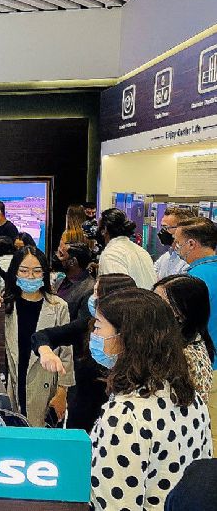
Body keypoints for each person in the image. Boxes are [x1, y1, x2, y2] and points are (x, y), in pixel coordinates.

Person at [89, 288, 212, 510]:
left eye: (98, 327)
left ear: (126, 337)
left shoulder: (125, 414)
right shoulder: (191, 399)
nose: (93, 336)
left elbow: (114, 503)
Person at [34, 274, 138, 432]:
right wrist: (46, 352)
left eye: (96, 293)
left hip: (119, 421)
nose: (92, 298)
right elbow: (43, 336)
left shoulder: (138, 340)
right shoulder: (88, 325)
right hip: (81, 416)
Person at [0, 246, 73, 427]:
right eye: (24, 271)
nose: (30, 276)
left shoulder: (58, 307)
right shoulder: (5, 302)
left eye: (36, 271)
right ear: (14, 272)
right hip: (13, 381)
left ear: (44, 274)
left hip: (43, 385)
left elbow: (66, 355)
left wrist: (62, 393)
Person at [174, 216, 217, 454]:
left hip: (206, 368)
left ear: (191, 244)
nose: (176, 247)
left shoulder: (192, 282)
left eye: (178, 242)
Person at [153, 275, 215, 404]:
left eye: (161, 303)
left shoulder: (184, 355)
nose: (151, 306)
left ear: (182, 313)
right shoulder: (189, 340)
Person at [97, 208, 157, 289]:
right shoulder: (141, 251)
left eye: (99, 227)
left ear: (104, 230)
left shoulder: (110, 255)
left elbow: (117, 291)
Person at [51, 242, 94, 320]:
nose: (56, 256)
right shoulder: (60, 280)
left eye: (61, 254)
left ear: (72, 262)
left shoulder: (90, 290)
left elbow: (81, 324)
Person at [154, 207, 193, 279]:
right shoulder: (167, 255)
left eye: (166, 227)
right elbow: (152, 275)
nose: (162, 231)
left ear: (181, 229)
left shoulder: (188, 261)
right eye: (162, 227)